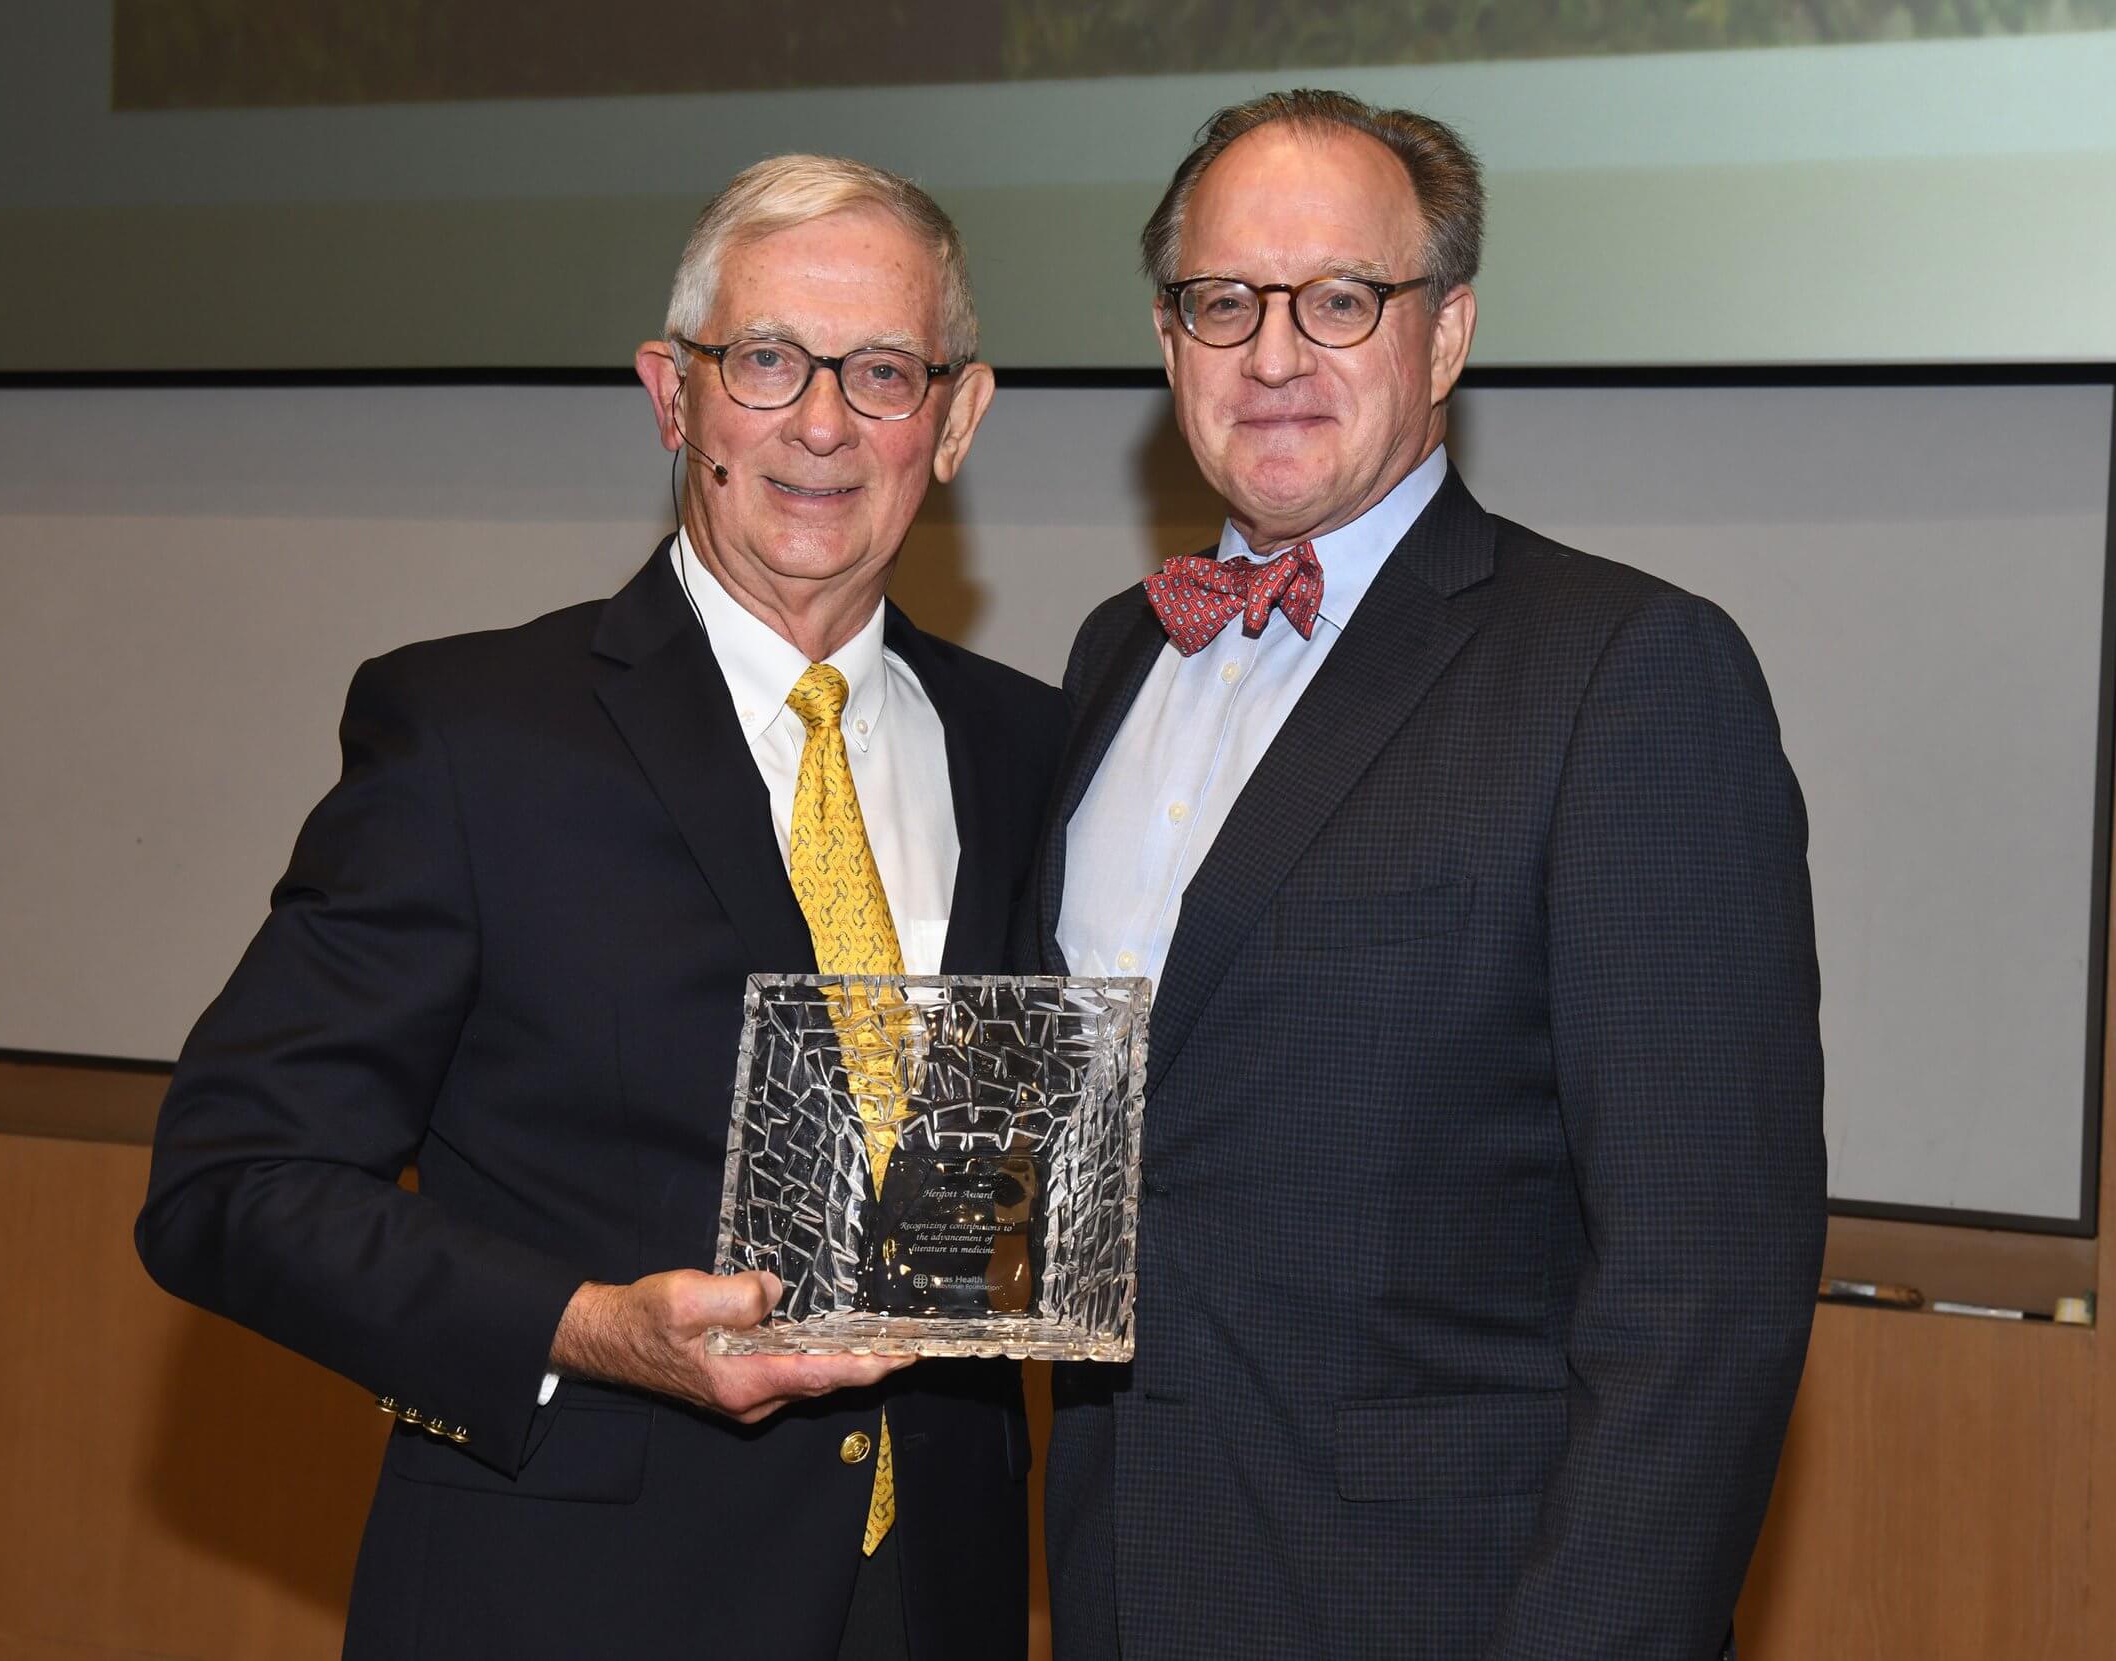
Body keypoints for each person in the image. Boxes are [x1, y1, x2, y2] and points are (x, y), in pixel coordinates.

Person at [137, 154, 1060, 1661]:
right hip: (569, 1607)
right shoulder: (472, 737)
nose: (821, 422)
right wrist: (590, 1324)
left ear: (955, 420)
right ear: (671, 395)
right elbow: (229, 1185)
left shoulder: (1030, 749)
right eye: (767, 361)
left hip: (932, 1605)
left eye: (881, 372)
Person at [1029, 91, 1826, 1661]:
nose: (1272, 354)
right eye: (1221, 302)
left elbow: (1702, 1298)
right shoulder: (1111, 656)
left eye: (1341, 300)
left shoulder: (1628, 672)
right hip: (1125, 1589)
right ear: (1168, 339)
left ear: (1447, 333)